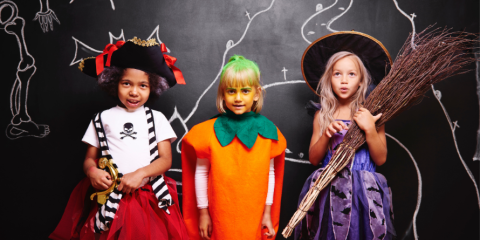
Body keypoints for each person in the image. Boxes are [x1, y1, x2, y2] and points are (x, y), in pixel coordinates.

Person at [50, 37, 189, 240]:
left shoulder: (156, 119)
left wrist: (140, 174)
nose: (134, 92)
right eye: (126, 84)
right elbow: (90, 158)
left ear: (153, 88)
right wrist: (92, 172)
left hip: (148, 197)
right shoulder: (102, 118)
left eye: (143, 86)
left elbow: (165, 160)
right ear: (114, 83)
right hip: (111, 197)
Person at [295, 32, 396, 240]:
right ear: (328, 79)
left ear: (361, 81)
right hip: (331, 192)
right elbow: (314, 159)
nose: (343, 80)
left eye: (351, 74)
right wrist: (326, 134)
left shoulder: (372, 114)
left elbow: (381, 159)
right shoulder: (322, 115)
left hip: (365, 193)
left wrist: (369, 128)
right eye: (337, 74)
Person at [181, 55, 286, 240]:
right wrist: (203, 213)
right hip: (219, 214)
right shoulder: (207, 132)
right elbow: (201, 173)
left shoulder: (268, 131)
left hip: (253, 214)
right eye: (231, 91)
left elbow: (270, 175)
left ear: (257, 93)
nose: (238, 98)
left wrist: (267, 213)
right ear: (222, 94)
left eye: (245, 91)